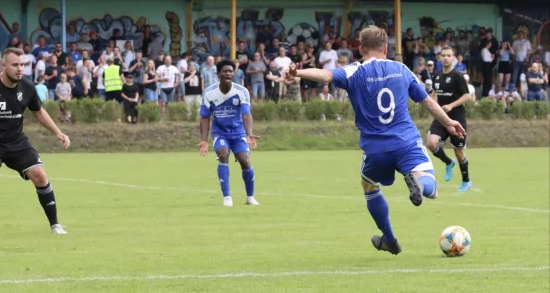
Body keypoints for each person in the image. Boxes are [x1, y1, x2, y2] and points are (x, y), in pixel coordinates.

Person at [286, 26, 465, 255]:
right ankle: (419, 184)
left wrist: (297, 74)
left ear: (361, 48)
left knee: (369, 185)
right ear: (386, 48)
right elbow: (428, 102)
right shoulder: (401, 69)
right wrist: (449, 122)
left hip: (376, 148)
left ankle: (390, 239)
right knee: (432, 187)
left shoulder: (354, 70)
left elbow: (327, 75)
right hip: (406, 141)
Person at [0, 47, 70, 237]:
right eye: (15, 65)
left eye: (22, 65)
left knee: (39, 173)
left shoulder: (28, 87)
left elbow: (38, 112)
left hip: (16, 141)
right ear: (4, 65)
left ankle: (55, 225)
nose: (20, 69)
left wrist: (58, 132)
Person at [198, 60, 260, 207]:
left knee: (244, 159)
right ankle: (227, 197)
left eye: (230, 71)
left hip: (238, 133)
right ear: (218, 73)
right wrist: (204, 140)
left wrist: (249, 133)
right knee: (223, 154)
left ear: (234, 73)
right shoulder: (209, 92)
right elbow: (205, 118)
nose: (228, 74)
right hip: (220, 132)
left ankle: (250, 197)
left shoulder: (242, 91)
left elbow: (246, 114)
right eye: (225, 71)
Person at [427, 46, 473, 192]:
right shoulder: (437, 74)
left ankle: (466, 181)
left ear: (453, 58)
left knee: (458, 151)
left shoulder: (458, 75)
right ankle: (448, 163)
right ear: (439, 58)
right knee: (431, 143)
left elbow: (467, 96)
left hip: (457, 118)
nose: (446, 58)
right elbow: (434, 94)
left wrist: (451, 106)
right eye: (443, 55)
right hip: (441, 118)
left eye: (449, 55)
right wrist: (431, 104)